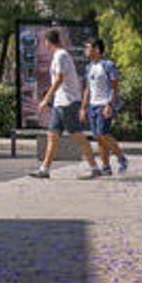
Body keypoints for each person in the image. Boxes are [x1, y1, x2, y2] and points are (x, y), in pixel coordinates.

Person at [29, 29, 102, 179]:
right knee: (52, 135)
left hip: (68, 102)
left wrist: (45, 99)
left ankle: (94, 168)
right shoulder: (59, 55)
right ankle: (45, 169)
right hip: (60, 103)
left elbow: (59, 79)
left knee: (77, 135)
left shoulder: (61, 55)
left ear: (48, 42)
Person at [79, 38, 128, 175]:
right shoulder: (89, 67)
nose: (86, 50)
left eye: (88, 47)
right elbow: (87, 89)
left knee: (103, 134)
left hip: (104, 104)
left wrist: (110, 105)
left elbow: (115, 86)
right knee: (98, 138)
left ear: (97, 49)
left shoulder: (108, 65)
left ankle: (121, 157)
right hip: (92, 106)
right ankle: (106, 166)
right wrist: (83, 108)